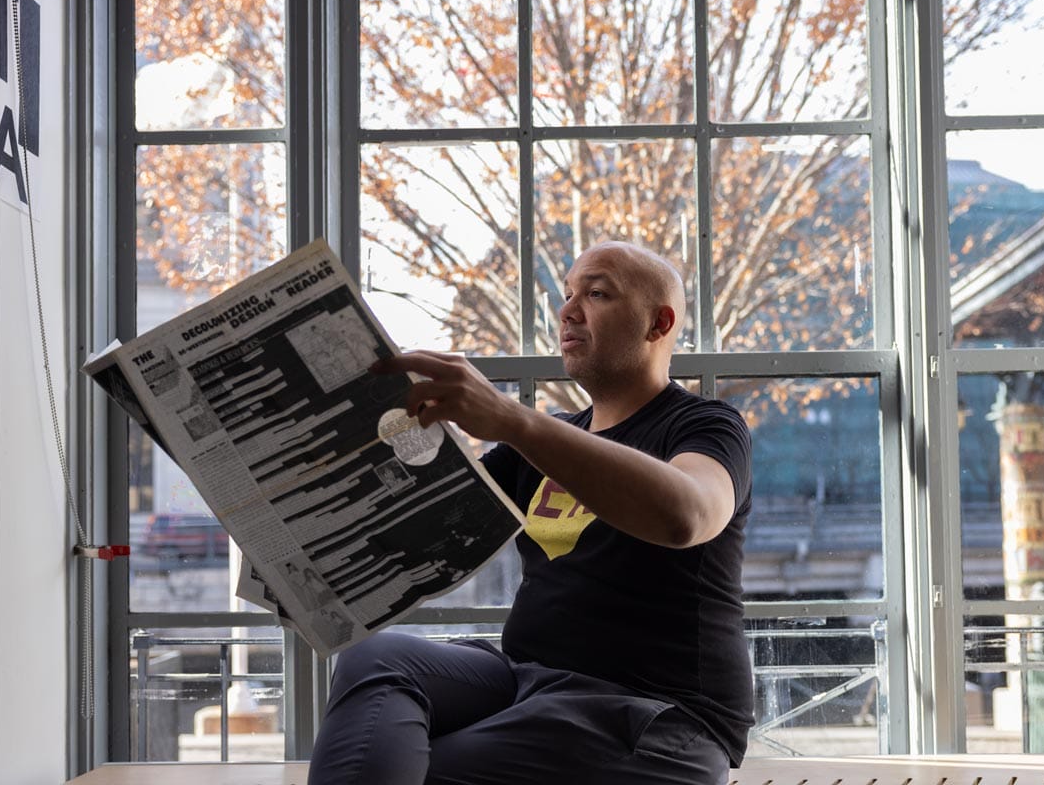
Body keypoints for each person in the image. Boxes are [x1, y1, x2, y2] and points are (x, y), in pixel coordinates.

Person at [308, 240, 754, 784]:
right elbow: (416, 528)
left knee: (420, 771)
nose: (567, 311)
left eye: (596, 293)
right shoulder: (554, 436)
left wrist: (513, 420)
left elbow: (688, 515)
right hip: (525, 681)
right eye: (567, 294)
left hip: (651, 712)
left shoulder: (706, 425)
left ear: (658, 323)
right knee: (376, 659)